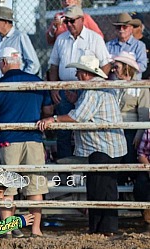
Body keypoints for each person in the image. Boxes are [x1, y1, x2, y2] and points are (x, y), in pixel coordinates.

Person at [0, 47, 52, 237]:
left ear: (4, 63)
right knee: (35, 187)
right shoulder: (37, 82)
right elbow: (47, 110)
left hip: (8, 141)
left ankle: (8, 229)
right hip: (33, 139)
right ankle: (36, 229)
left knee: (6, 189)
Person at [37, 55, 127, 236]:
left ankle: (104, 229)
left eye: (79, 71)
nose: (77, 74)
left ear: (86, 74)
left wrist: (54, 118)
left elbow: (78, 117)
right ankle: (102, 228)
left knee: (100, 188)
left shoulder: (92, 90)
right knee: (103, 187)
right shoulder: (100, 88)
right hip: (107, 145)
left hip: (103, 146)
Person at [48, 5, 112, 161]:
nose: (69, 24)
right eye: (67, 21)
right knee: (63, 132)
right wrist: (54, 88)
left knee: (87, 131)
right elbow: (54, 66)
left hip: (87, 90)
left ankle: (85, 171)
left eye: (72, 21)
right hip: (64, 88)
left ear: (82, 20)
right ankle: (66, 174)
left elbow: (106, 64)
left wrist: (93, 85)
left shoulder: (94, 38)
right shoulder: (61, 39)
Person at [112, 51, 150, 184]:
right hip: (115, 129)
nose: (114, 70)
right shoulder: (113, 86)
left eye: (117, 67)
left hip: (131, 131)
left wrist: (139, 133)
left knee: (129, 160)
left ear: (126, 67)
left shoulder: (140, 86)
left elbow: (144, 114)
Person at [106, 13, 147, 79]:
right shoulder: (108, 46)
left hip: (133, 85)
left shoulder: (139, 45)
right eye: (118, 27)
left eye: (125, 27)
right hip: (113, 86)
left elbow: (143, 66)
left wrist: (124, 69)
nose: (121, 29)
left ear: (131, 28)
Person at [134, 129, 150, 233]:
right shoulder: (148, 129)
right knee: (141, 185)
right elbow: (141, 153)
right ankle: (147, 219)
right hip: (148, 165)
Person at [129, 12, 150, 79]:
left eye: (134, 26)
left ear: (141, 27)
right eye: (129, 25)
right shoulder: (124, 44)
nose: (131, 29)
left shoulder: (148, 43)